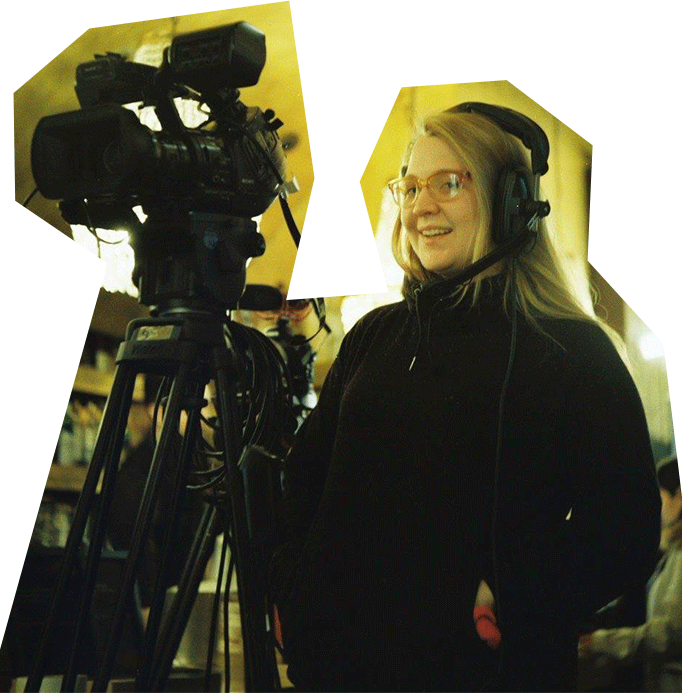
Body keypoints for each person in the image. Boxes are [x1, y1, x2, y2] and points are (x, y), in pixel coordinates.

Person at [268, 104, 661, 692]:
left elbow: (626, 530)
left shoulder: (573, 349)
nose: (421, 205)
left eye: (449, 183)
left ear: (511, 204)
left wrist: (508, 591)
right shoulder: (374, 336)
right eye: (410, 186)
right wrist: (298, 607)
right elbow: (305, 485)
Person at [578, 455, 682, 691]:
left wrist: (602, 641)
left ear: (679, 497)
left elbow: (670, 633)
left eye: (660, 497)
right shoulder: (671, 553)